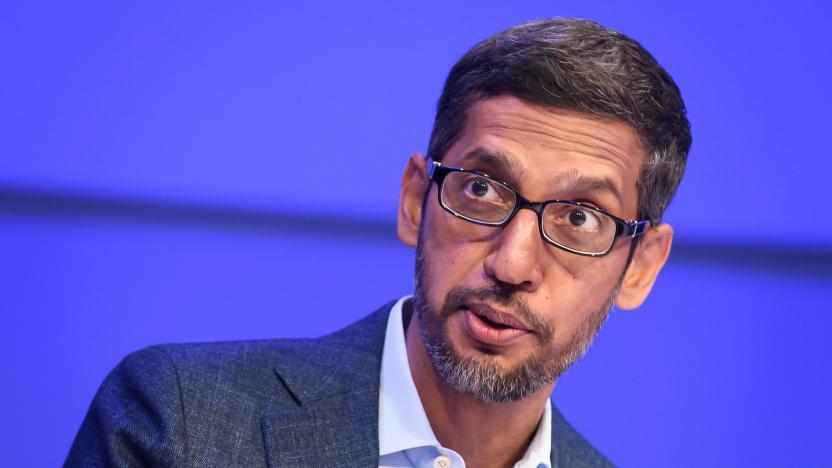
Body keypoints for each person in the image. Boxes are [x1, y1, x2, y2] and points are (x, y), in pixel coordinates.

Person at [66, 17, 690, 467]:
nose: (513, 262)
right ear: (416, 200)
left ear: (640, 266)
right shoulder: (183, 426)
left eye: (580, 219)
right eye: (482, 190)